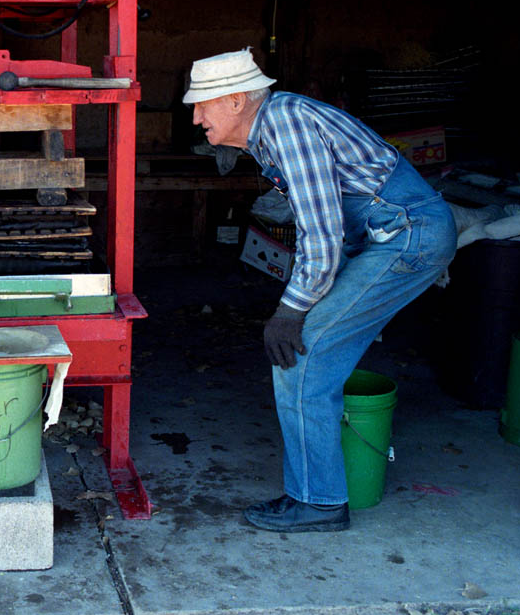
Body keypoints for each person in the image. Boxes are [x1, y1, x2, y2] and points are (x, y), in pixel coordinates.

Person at [184, 48, 457, 532]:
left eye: (204, 103)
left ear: (238, 102)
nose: (196, 115)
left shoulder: (285, 123)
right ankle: (319, 493)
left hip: (406, 235)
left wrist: (290, 311)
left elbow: (322, 235)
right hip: (390, 237)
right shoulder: (269, 133)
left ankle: (319, 502)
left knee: (301, 354)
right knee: (312, 350)